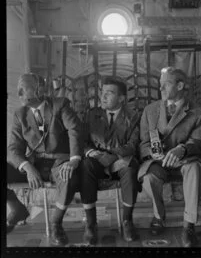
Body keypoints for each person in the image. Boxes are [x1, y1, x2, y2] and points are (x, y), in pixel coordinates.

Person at [7, 73, 83, 246]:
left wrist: (74, 159)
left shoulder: (60, 104)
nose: (20, 94)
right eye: (19, 89)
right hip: (35, 164)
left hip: (59, 162)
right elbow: (13, 148)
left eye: (24, 88)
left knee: (68, 177)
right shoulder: (20, 114)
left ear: (41, 89)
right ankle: (17, 208)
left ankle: (56, 223)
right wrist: (27, 167)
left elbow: (74, 129)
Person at [138, 67, 201, 248]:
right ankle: (158, 216)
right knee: (148, 176)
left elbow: (199, 142)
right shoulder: (150, 110)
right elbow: (144, 143)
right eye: (160, 85)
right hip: (157, 161)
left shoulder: (197, 111)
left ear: (180, 85)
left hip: (184, 158)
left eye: (166, 84)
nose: (160, 89)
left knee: (195, 168)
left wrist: (182, 149)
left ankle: (189, 225)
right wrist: (153, 153)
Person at [79, 76, 140, 245]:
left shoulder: (133, 116)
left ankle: (127, 221)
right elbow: (83, 141)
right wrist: (92, 152)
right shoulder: (92, 115)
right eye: (102, 93)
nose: (103, 97)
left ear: (121, 98)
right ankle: (91, 224)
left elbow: (133, 145)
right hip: (97, 161)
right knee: (86, 165)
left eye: (109, 93)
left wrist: (111, 156)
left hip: (120, 161)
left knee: (130, 168)